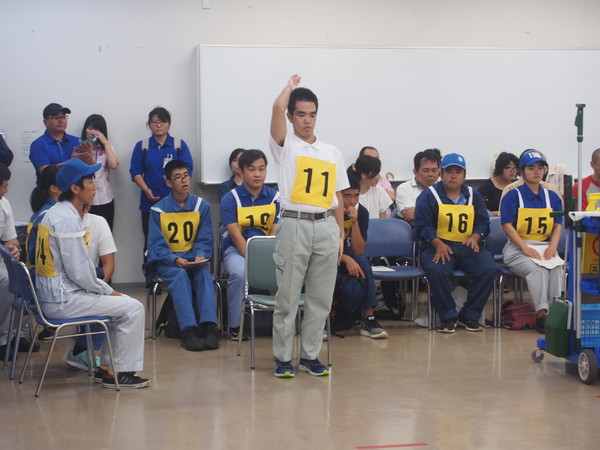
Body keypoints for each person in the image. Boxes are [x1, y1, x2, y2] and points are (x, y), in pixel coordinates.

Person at [34, 158, 148, 388]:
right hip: (62, 300)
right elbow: (80, 273)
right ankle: (118, 374)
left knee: (121, 306)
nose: (95, 186)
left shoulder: (55, 212)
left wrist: (103, 291)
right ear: (75, 188)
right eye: (90, 181)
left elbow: (78, 271)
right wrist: (107, 290)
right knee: (133, 308)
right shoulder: (67, 220)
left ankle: (106, 369)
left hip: (54, 296)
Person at [269, 75, 348, 378]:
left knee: (320, 297)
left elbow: (338, 196)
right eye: (300, 114)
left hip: (326, 226)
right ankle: (282, 357)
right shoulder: (285, 146)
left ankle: (310, 356)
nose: (307, 120)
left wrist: (340, 233)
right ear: (291, 116)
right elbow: (276, 109)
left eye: (312, 114)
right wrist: (287, 90)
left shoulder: (332, 152)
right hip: (294, 224)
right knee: (288, 297)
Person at [415, 153, 496, 333]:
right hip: (437, 247)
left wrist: (475, 237)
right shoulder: (429, 195)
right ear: (441, 174)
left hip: (467, 247)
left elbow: (483, 223)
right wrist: (437, 243)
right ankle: (447, 317)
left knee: (488, 268)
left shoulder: (473, 195)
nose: (453, 176)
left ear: (464, 175)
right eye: (449, 171)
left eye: (458, 172)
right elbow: (422, 225)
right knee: (437, 270)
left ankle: (470, 315)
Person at [147, 159, 218, 352]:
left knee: (204, 275)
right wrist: (174, 259)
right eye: (178, 177)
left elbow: (205, 238)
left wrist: (200, 256)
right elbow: (156, 245)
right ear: (168, 182)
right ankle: (188, 330)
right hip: (169, 262)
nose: (184, 180)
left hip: (193, 261)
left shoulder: (201, 206)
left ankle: (210, 327)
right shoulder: (158, 210)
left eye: (186, 176)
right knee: (179, 276)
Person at [501, 150, 564, 334]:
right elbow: (506, 225)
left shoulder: (552, 196)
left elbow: (558, 224)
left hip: (544, 246)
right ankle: (542, 314)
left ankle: (556, 313)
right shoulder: (513, 195)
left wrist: (553, 246)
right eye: (531, 168)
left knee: (557, 268)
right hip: (518, 248)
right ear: (522, 171)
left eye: (540, 168)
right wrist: (525, 248)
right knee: (538, 270)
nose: (536, 171)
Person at [220, 149, 280, 340]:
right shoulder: (230, 199)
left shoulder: (276, 198)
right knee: (239, 273)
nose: (257, 174)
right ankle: (235, 326)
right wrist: (256, 263)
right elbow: (236, 236)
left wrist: (266, 259)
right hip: (237, 251)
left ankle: (283, 324)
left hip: (269, 251)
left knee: (289, 271)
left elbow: (274, 233)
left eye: (261, 169)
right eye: (252, 169)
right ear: (241, 171)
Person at [129, 107, 194, 255]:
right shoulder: (143, 146)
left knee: (177, 243)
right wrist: (146, 190)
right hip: (150, 204)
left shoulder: (178, 145)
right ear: (149, 125)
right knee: (151, 243)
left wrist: (178, 189)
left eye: (162, 121)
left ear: (168, 124)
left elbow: (188, 170)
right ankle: (151, 270)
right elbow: (135, 172)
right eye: (154, 122)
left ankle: (177, 267)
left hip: (177, 204)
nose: (158, 125)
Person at [338, 171, 388, 339]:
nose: (352, 201)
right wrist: (345, 259)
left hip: (347, 251)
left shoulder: (362, 213)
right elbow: (322, 248)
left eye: (356, 196)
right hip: (325, 254)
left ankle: (369, 318)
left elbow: (359, 250)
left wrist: (354, 222)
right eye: (347, 196)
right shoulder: (328, 211)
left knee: (363, 262)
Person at [0, 163, 39, 360]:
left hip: (2, 261)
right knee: (7, 281)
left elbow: (11, 239)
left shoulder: (4, 204)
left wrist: (14, 248)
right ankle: (3, 338)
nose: (6, 191)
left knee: (32, 280)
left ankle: (15, 333)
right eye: (4, 186)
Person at [29, 103, 95, 185]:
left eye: (63, 117)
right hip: (52, 191)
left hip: (75, 191)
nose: (61, 121)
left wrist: (89, 156)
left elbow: (91, 169)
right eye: (56, 118)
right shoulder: (38, 145)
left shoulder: (77, 141)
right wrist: (71, 162)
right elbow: (46, 172)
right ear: (45, 122)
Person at [81, 114, 119, 230]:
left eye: (97, 129)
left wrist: (105, 143)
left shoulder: (107, 148)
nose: (93, 132)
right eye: (90, 128)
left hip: (104, 198)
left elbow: (113, 165)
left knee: (105, 233)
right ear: (85, 130)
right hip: (84, 199)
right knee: (86, 234)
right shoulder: (79, 148)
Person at [396, 149, 441, 226]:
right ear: (415, 172)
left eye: (434, 170)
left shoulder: (444, 188)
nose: (430, 174)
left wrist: (417, 212)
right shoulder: (403, 188)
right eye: (426, 170)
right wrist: (438, 214)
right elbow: (411, 219)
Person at [359, 146, 396, 213]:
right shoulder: (352, 182)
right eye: (370, 158)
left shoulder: (381, 182)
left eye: (377, 159)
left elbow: (392, 196)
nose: (374, 162)